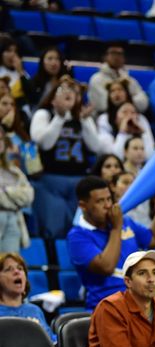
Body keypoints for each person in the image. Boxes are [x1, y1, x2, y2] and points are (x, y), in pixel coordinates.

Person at [67, 176, 155, 310]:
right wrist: (116, 229)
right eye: (100, 201)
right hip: (105, 308)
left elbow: (154, 239)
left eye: (109, 199)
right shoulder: (77, 236)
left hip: (137, 304)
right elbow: (107, 266)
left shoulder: (124, 221)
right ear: (83, 206)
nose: (108, 205)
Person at [30, 77, 107, 238]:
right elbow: (44, 144)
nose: (70, 94)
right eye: (64, 90)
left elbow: (96, 148)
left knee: (78, 227)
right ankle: (53, 262)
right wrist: (59, 117)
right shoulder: (44, 114)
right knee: (53, 227)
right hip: (51, 179)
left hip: (79, 180)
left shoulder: (83, 117)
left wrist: (85, 121)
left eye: (74, 91)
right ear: (54, 95)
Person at [0, 252, 55, 343]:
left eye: (20, 268)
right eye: (8, 269)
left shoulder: (34, 310)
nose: (17, 272)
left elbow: (51, 343)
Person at [88, 43, 149, 115]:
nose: (117, 57)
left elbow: (144, 102)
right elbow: (104, 105)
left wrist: (121, 100)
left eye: (120, 54)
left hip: (130, 116)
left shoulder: (129, 79)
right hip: (105, 119)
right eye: (113, 53)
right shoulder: (96, 79)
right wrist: (130, 99)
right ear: (105, 57)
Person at [0, 128, 33, 254]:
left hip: (14, 219)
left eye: (1, 139)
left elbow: (29, 195)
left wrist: (5, 191)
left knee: (10, 263)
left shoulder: (14, 171)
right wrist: (14, 196)